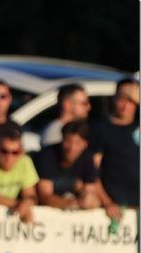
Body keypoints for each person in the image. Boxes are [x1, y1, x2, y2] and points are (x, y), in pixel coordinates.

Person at [91, 78, 140, 219]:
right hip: (114, 208)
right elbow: (92, 171)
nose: (125, 106)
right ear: (114, 99)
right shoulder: (101, 129)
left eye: (131, 100)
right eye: (122, 99)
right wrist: (107, 202)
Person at [0, 128, 39, 223]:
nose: (9, 157)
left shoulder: (25, 162)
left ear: (21, 153)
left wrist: (27, 203)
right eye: (4, 151)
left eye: (15, 152)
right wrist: (21, 204)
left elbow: (30, 194)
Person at [35, 120, 101, 210]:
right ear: (62, 140)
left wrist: (84, 195)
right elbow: (45, 197)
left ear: (85, 144)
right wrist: (76, 203)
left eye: (77, 143)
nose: (72, 148)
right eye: (68, 141)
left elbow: (91, 196)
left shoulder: (87, 158)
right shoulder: (47, 155)